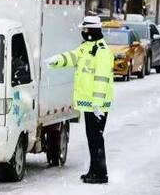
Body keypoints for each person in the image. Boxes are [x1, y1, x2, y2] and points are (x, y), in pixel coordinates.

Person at [47, 16, 114, 184]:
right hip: (90, 104)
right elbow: (72, 57)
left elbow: (101, 80)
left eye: (85, 30)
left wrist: (98, 105)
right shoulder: (87, 47)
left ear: (92, 30)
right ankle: (94, 170)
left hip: (97, 105)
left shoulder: (102, 51)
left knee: (96, 138)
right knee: (92, 138)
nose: (83, 33)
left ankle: (100, 174)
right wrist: (56, 60)